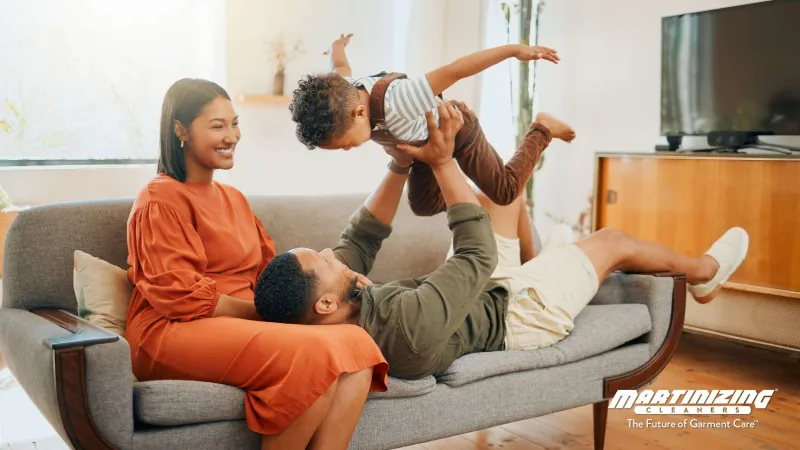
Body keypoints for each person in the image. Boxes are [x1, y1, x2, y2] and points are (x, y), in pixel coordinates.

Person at [254, 101, 749, 381]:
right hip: (520, 314)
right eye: (320, 260)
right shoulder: (403, 328)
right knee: (612, 239)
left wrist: (403, 163)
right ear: (323, 303)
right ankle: (705, 273)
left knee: (501, 198)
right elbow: (477, 252)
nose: (328, 254)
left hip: (479, 291)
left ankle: (553, 253)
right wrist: (444, 161)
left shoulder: (337, 300)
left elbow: (360, 236)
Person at [124, 78, 388, 450]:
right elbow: (178, 296)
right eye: (217, 126)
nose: (231, 136)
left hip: (237, 320)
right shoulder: (160, 198)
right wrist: (259, 313)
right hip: (173, 328)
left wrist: (340, 288)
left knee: (356, 347)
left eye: (234, 124)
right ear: (180, 129)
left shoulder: (234, 198)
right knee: (315, 355)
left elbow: (274, 274)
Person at [289, 33, 576, 216]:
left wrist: (515, 50)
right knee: (423, 207)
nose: (349, 150)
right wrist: (336, 45)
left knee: (504, 192)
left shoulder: (399, 100)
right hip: (423, 147)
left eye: (346, 144)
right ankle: (467, 189)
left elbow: (457, 70)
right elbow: (339, 66)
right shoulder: (343, 90)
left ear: (361, 113)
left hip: (458, 132)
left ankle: (542, 128)